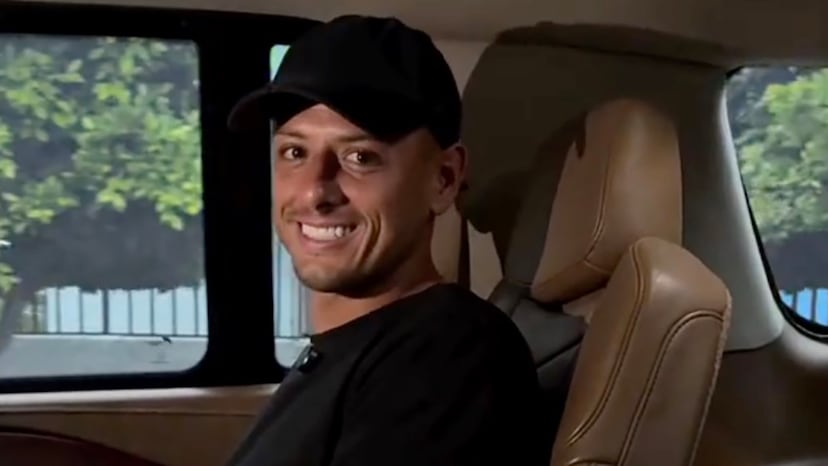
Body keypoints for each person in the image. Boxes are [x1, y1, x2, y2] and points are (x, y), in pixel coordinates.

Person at [225, 14, 548, 466]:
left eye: (360, 157)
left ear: (444, 179)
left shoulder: (445, 358)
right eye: (294, 152)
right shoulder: (349, 350)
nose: (315, 191)